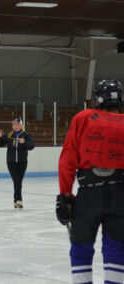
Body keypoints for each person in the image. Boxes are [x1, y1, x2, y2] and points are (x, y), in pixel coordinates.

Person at [56, 80, 124, 284]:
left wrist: (65, 195)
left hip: (89, 194)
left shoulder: (84, 118)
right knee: (117, 247)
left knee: (81, 245)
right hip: (120, 194)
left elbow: (67, 160)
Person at [0, 118, 35, 209]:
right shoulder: (9, 135)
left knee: (18, 181)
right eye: (14, 125)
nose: (15, 126)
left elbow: (31, 146)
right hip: (11, 162)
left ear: (21, 125)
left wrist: (24, 142)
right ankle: (18, 201)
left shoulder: (26, 135)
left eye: (17, 124)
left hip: (22, 162)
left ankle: (17, 201)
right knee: (17, 181)